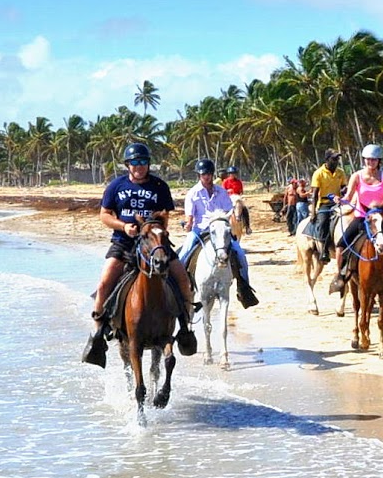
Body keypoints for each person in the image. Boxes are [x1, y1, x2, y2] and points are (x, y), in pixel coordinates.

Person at [82, 142, 197, 366]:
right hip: (123, 243)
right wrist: (123, 227)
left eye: (143, 162)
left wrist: (156, 231)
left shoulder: (160, 187)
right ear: (128, 165)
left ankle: (185, 325)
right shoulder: (116, 186)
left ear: (148, 164)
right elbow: (104, 215)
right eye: (134, 162)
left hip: (153, 243)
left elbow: (165, 217)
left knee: (181, 277)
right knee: (105, 283)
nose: (139, 166)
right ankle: (98, 332)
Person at [178, 158, 258, 308]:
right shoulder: (192, 193)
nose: (206, 177)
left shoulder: (221, 192)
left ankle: (244, 289)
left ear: (212, 174)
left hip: (219, 229)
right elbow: (190, 216)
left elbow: (228, 211)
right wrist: (188, 224)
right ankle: (179, 288)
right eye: (203, 174)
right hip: (200, 230)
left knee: (240, 254)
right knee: (183, 254)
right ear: (199, 175)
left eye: (208, 173)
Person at [331, 143, 383, 291]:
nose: (370, 162)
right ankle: (341, 275)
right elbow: (349, 196)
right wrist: (340, 200)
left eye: (373, 160)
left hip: (381, 217)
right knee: (341, 245)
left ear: (379, 161)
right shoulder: (356, 176)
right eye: (367, 159)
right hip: (362, 217)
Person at [308, 151, 347, 263]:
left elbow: (344, 187)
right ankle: (324, 250)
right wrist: (314, 212)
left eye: (337, 159)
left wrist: (345, 191)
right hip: (324, 203)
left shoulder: (341, 172)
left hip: (338, 203)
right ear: (327, 159)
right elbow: (315, 194)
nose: (336, 162)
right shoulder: (318, 173)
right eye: (334, 159)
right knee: (323, 222)